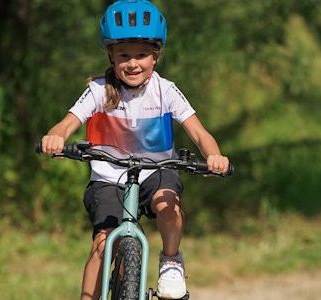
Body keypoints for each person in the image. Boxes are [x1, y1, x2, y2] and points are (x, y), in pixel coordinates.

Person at [38, 1, 230, 299]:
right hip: (108, 178)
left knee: (169, 205)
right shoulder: (99, 91)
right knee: (104, 242)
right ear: (111, 56)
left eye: (141, 55)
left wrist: (213, 155)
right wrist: (54, 137)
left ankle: (170, 261)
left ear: (155, 57)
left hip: (156, 173)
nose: (132, 63)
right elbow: (66, 124)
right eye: (124, 55)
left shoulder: (165, 91)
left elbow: (199, 133)